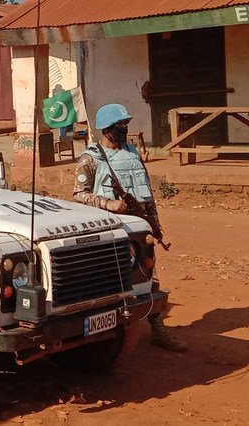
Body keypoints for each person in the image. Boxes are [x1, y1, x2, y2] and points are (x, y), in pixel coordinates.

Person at [72, 103, 186, 352]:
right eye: (118, 126)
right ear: (106, 129)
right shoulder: (90, 159)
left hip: (138, 228)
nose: (123, 129)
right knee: (105, 281)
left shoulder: (132, 153)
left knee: (147, 277)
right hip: (106, 229)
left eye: (125, 125)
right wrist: (107, 203)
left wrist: (154, 224)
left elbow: (147, 194)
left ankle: (158, 329)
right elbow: (78, 194)